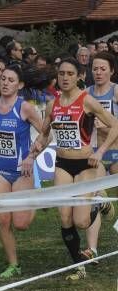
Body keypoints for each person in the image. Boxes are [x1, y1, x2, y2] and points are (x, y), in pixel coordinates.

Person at [27, 57, 118, 281]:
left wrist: (100, 151)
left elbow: (115, 124)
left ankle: (100, 203)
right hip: (62, 164)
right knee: (65, 218)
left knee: (81, 221)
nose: (65, 78)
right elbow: (46, 133)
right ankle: (79, 266)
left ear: (79, 76)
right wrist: (36, 149)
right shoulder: (53, 104)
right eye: (61, 74)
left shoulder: (87, 101)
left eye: (70, 74)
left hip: (85, 164)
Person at [0, 64, 44, 278]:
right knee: (3, 220)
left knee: (21, 224)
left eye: (11, 80)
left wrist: (31, 157)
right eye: (3, 78)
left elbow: (47, 133)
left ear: (20, 85)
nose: (5, 83)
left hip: (21, 171)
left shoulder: (25, 108)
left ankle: (37, 199)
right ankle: (14, 264)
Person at [81, 52, 118, 263]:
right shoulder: (86, 94)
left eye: (103, 68)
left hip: (116, 151)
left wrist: (106, 127)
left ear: (111, 70)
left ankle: (109, 207)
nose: (98, 72)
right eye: (95, 68)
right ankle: (92, 250)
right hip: (95, 153)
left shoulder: (116, 91)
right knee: (94, 197)